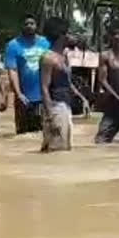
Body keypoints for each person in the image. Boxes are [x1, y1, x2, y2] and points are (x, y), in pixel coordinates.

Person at [39, 17, 82, 152]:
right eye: (69, 33)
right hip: (55, 106)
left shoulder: (64, 56)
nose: (72, 36)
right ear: (61, 35)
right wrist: (51, 116)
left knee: (63, 148)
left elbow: (67, 82)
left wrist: (82, 98)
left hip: (65, 105)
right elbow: (44, 87)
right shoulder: (48, 58)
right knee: (57, 150)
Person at [5, 14, 50, 134]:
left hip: (43, 96)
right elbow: (12, 70)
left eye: (32, 23)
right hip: (23, 97)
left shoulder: (46, 43)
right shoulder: (13, 45)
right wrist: (18, 93)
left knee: (42, 132)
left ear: (36, 25)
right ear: (21, 26)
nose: (29, 26)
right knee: (22, 134)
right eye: (26, 24)